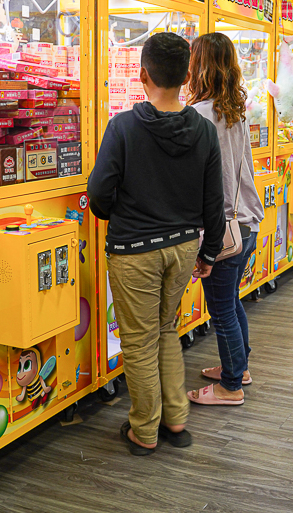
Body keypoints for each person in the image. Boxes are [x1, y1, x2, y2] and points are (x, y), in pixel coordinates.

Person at [87, 32, 225, 455]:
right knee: (167, 331)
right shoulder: (203, 130)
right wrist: (209, 253)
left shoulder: (124, 127)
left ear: (143, 74)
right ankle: (175, 417)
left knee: (139, 340)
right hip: (184, 247)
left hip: (134, 251)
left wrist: (119, 214)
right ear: (186, 75)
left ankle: (144, 431)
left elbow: (98, 194)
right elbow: (213, 201)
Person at [185, 33, 265, 406]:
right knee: (231, 303)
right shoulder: (233, 108)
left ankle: (231, 386)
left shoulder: (198, 113)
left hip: (220, 229)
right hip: (244, 221)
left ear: (198, 64)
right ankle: (239, 367)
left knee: (221, 310)